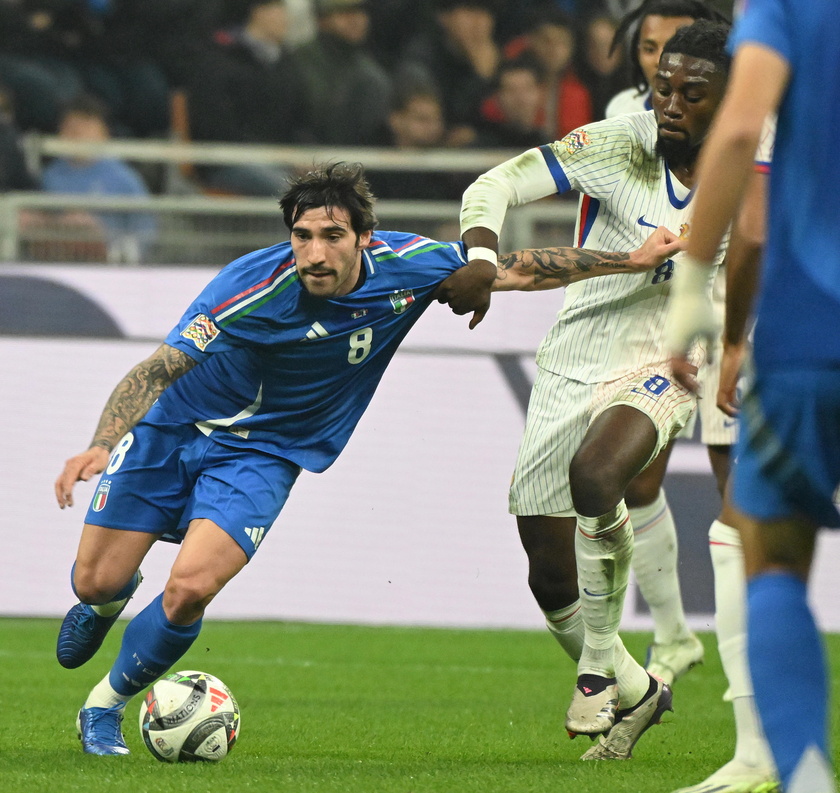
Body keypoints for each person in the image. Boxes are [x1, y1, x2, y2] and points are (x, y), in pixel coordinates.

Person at [55, 161, 681, 756]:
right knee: (95, 580)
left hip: (266, 453)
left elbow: (516, 269)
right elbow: (159, 369)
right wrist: (101, 443)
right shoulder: (246, 288)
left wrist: (629, 259)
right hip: (176, 430)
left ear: (364, 238)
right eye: (302, 237)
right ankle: (108, 601)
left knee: (191, 588)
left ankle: (104, 706)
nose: (315, 253)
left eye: (332, 236)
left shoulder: (407, 267)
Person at [447, 19, 733, 760]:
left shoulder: (754, 164)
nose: (670, 103)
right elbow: (497, 182)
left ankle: (598, 668)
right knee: (547, 566)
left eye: (693, 93)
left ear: (729, 96)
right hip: (577, 352)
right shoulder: (620, 141)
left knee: (599, 473)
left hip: (669, 359)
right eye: (664, 86)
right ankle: (640, 690)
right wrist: (481, 251)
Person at [665, 1, 840, 791]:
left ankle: (794, 767)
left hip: (813, 330)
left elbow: (738, 138)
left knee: (766, 552)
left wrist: (702, 299)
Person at [185, 0, 309, 196]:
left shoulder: (288, 65)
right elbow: (216, 126)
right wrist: (275, 155)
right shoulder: (221, 60)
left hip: (279, 161)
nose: (285, 18)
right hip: (226, 162)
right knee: (290, 193)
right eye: (278, 10)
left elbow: (301, 121)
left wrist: (301, 154)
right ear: (258, 12)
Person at [39, 94, 157, 263]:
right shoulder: (49, 177)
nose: (77, 135)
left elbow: (145, 229)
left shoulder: (124, 178)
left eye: (86, 127)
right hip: (59, 262)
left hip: (112, 266)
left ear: (104, 133)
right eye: (71, 128)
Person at [289, 0, 391, 145]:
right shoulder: (298, 62)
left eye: (361, 12)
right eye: (345, 13)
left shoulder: (370, 72)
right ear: (322, 20)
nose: (356, 20)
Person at [606, 0, 727, 119]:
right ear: (637, 52)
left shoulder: (728, 114)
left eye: (675, 49)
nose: (660, 61)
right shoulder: (622, 110)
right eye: (649, 49)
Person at [498, 6, 593, 141]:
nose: (554, 50)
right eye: (547, 41)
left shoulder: (578, 93)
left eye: (562, 42)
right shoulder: (511, 77)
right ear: (531, 41)